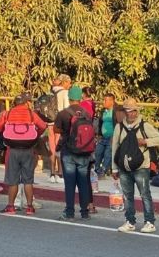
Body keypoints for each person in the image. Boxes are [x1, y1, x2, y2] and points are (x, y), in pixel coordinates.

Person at [112, 99, 159, 233]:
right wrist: (114, 167)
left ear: (137, 111)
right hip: (124, 166)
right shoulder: (119, 127)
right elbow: (115, 147)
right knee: (127, 195)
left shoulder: (144, 125)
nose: (131, 114)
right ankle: (130, 221)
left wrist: (145, 141)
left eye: (133, 111)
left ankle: (149, 221)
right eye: (128, 111)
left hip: (141, 166)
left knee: (145, 194)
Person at [0, 93, 48, 214]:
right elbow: (43, 126)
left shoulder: (7, 113)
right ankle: (29, 207)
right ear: (26, 103)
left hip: (12, 150)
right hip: (28, 149)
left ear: (14, 103)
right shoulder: (31, 114)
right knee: (28, 180)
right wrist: (35, 134)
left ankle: (11, 206)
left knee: (13, 180)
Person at [53, 85, 93, 221]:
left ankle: (69, 212)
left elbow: (56, 130)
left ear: (69, 98)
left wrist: (66, 131)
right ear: (80, 97)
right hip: (84, 151)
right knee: (83, 182)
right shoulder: (87, 113)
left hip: (69, 151)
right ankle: (85, 212)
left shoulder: (63, 113)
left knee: (70, 183)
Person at [47, 74, 71, 183]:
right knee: (59, 148)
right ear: (64, 82)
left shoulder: (50, 92)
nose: (69, 85)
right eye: (68, 82)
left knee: (52, 149)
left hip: (50, 123)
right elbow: (66, 110)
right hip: (60, 125)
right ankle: (60, 174)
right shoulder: (65, 93)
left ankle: (52, 173)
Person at [95, 93, 121, 178]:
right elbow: (100, 123)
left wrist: (115, 137)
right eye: (104, 100)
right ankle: (97, 170)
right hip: (103, 137)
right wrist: (99, 134)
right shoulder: (103, 111)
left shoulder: (117, 111)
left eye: (105, 100)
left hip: (112, 137)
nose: (103, 102)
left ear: (112, 101)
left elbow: (119, 125)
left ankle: (103, 172)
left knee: (108, 154)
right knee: (98, 152)